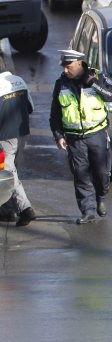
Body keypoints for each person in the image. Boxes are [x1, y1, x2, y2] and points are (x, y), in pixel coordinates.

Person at [49, 49, 112, 224]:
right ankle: (88, 211)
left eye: (68, 67)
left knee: (101, 173)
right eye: (64, 67)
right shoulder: (61, 84)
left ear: (79, 64)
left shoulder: (96, 76)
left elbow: (110, 95)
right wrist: (58, 135)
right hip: (74, 138)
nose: (65, 71)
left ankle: (100, 197)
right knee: (80, 175)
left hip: (96, 135)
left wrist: (93, 84)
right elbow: (55, 113)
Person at [0, 53, 36, 226]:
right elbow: (31, 107)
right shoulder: (19, 80)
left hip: (4, 136)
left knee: (7, 173)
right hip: (22, 134)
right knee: (11, 171)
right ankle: (7, 211)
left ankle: (25, 209)